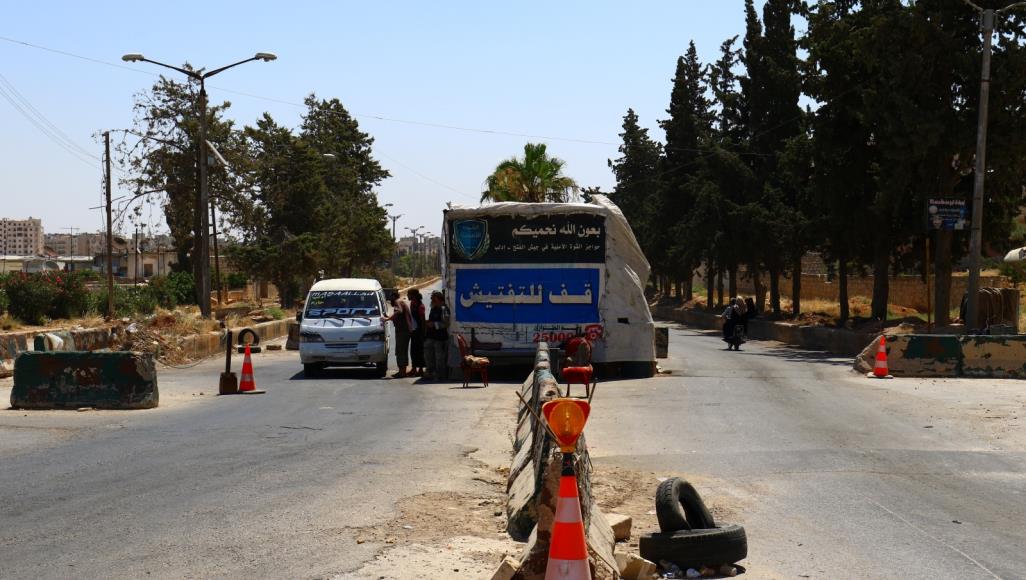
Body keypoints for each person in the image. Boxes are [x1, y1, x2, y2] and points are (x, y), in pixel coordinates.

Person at [385, 290, 414, 377]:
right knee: (401, 350)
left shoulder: (398, 302)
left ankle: (402, 372)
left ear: (394, 297)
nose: (390, 300)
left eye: (391, 298)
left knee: (401, 351)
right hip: (402, 330)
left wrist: (388, 319)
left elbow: (399, 311)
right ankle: (401, 371)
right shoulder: (400, 302)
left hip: (403, 331)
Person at [424, 290, 450, 380]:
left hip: (440, 338)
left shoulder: (444, 309)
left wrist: (434, 324)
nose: (432, 300)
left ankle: (440, 375)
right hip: (430, 337)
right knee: (428, 356)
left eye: (433, 298)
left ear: (439, 299)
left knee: (439, 358)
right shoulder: (433, 308)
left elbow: (446, 323)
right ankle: (430, 372)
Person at [408, 288, 427, 377]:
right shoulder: (412, 304)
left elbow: (423, 321)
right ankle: (414, 368)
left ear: (413, 295)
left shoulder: (420, 306)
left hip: (419, 331)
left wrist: (423, 333)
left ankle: (420, 370)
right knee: (413, 350)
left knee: (420, 351)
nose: (408, 296)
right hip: (414, 330)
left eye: (409, 294)